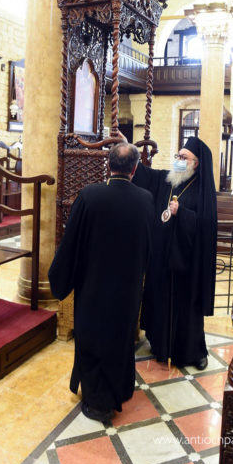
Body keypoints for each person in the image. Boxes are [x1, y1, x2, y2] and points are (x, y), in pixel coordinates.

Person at [48, 143, 154, 423]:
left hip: (93, 287)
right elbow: (149, 246)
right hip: (127, 289)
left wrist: (60, 277)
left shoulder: (89, 196)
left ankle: (98, 404)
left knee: (93, 339)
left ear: (108, 165)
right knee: (121, 339)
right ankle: (121, 389)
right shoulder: (145, 199)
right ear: (134, 169)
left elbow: (71, 243)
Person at [133, 136, 217, 370]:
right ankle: (160, 345)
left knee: (186, 308)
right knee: (159, 299)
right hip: (161, 256)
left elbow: (206, 225)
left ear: (196, 163)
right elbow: (145, 174)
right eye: (178, 156)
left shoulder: (202, 190)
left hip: (186, 262)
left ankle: (193, 352)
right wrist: (128, 147)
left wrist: (183, 214)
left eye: (184, 157)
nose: (179, 160)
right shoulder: (168, 179)